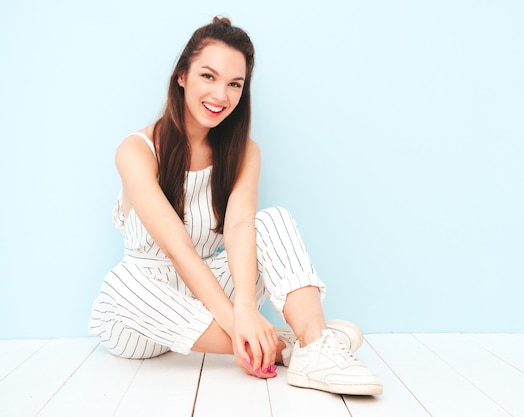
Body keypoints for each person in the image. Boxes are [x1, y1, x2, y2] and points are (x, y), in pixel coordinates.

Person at [88, 17, 382, 396]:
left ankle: (315, 344)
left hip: (209, 298)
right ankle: (284, 347)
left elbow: (240, 227)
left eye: (234, 84)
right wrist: (238, 319)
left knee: (271, 219)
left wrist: (244, 307)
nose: (220, 95)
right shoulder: (137, 150)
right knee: (121, 285)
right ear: (182, 76)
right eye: (208, 77)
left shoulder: (245, 152)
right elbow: (177, 248)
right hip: (142, 316)